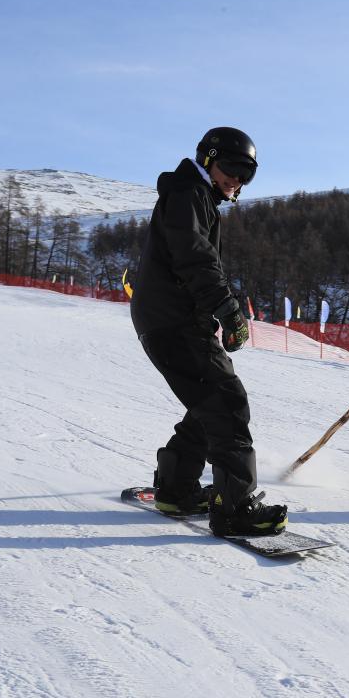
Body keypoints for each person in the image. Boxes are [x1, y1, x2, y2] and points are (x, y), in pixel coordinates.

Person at [129, 126, 287, 536]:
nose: (236, 180)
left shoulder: (192, 195)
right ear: (208, 159)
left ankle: (176, 488)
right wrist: (228, 309)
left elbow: (191, 261)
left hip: (169, 319)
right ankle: (236, 507)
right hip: (173, 321)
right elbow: (195, 259)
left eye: (247, 174)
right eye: (231, 168)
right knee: (227, 402)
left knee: (208, 401)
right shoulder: (188, 195)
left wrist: (215, 311)